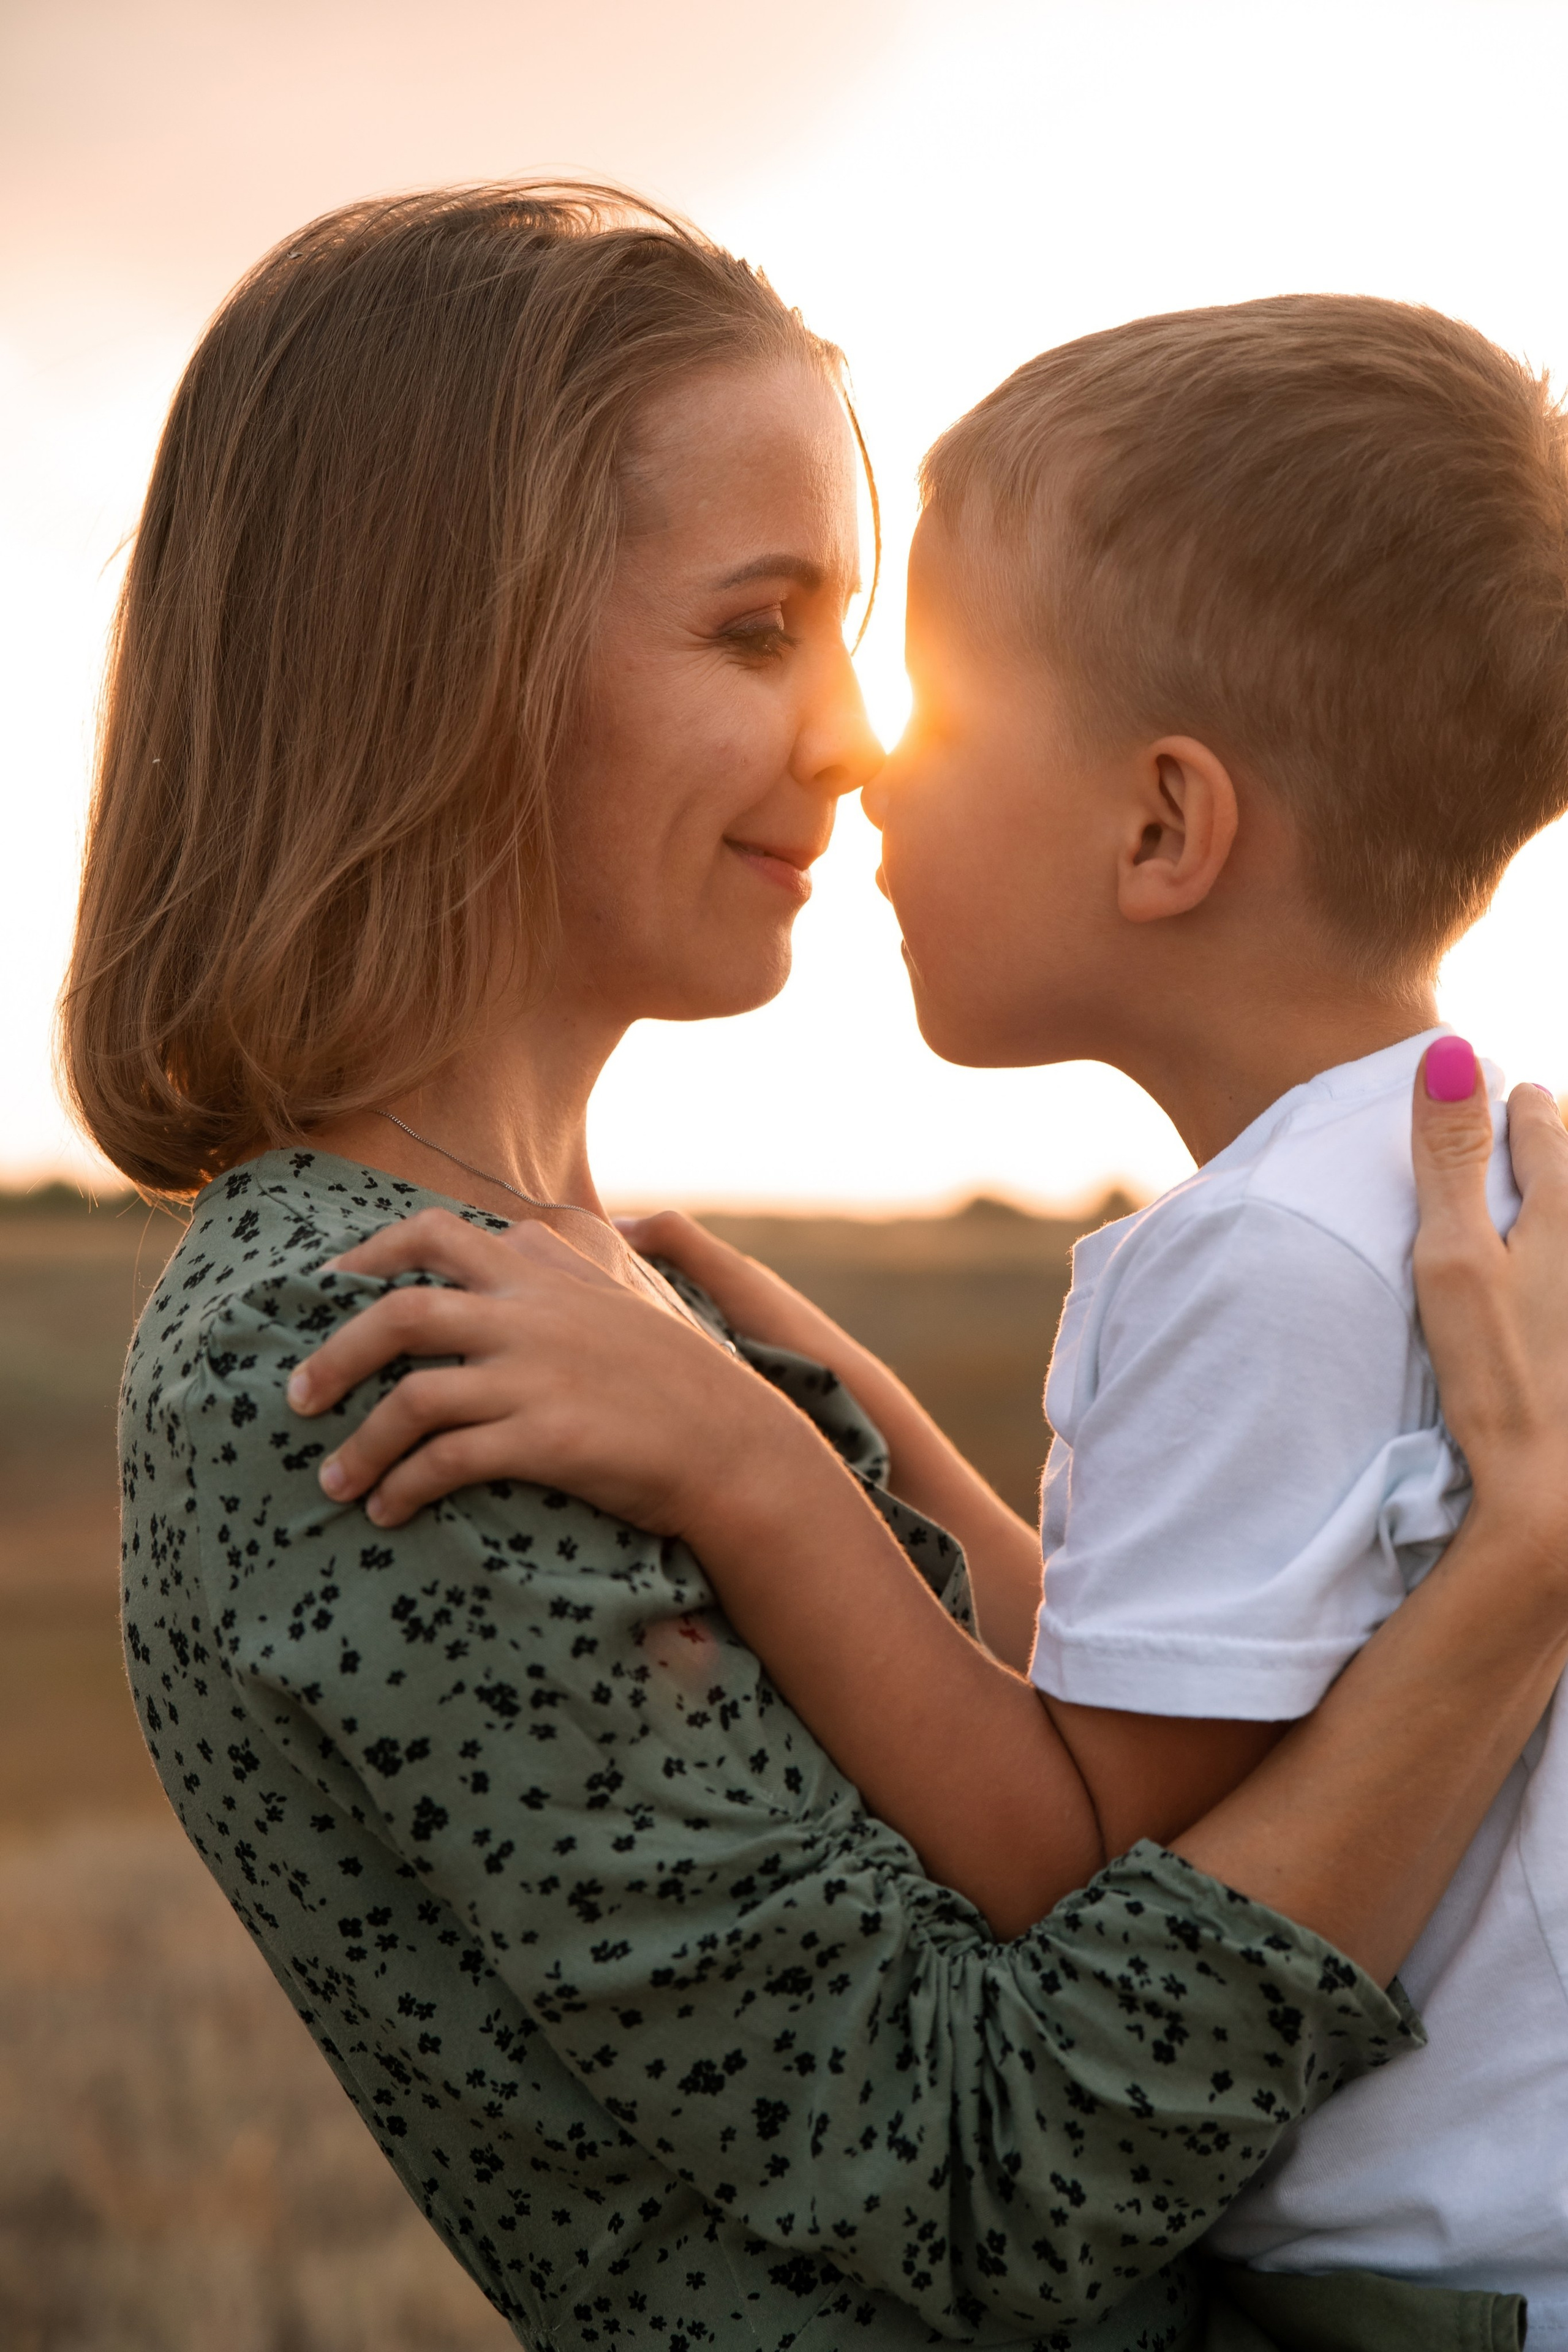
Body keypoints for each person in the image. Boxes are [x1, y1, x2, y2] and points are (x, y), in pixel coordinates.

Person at [63, 184, 1568, 2351]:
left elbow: (1139, 1746)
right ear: (448, 663)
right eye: (759, 629)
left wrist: (785, 1426)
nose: (861, 738)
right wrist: (1513, 1590)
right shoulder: (342, 1346)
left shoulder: (611, 1300)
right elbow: (987, 2161)